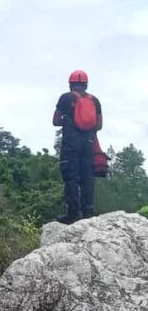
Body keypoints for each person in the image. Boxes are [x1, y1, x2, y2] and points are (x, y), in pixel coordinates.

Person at [53, 70, 102, 224]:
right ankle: (89, 211)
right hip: (88, 144)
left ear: (70, 84)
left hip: (71, 144)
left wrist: (70, 121)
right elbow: (99, 125)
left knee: (70, 176)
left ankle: (73, 212)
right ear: (86, 85)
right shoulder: (95, 100)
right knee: (87, 176)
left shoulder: (66, 98)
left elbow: (55, 120)